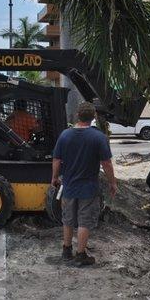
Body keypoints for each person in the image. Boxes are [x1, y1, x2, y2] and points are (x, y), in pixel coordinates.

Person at [51, 102, 117, 266]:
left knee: (68, 219)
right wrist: (112, 183)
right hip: (88, 187)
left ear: (77, 116)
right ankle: (81, 255)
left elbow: (57, 159)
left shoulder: (65, 135)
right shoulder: (98, 137)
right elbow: (106, 163)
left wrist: (54, 177)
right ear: (93, 117)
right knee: (84, 221)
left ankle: (66, 250)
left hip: (69, 186)